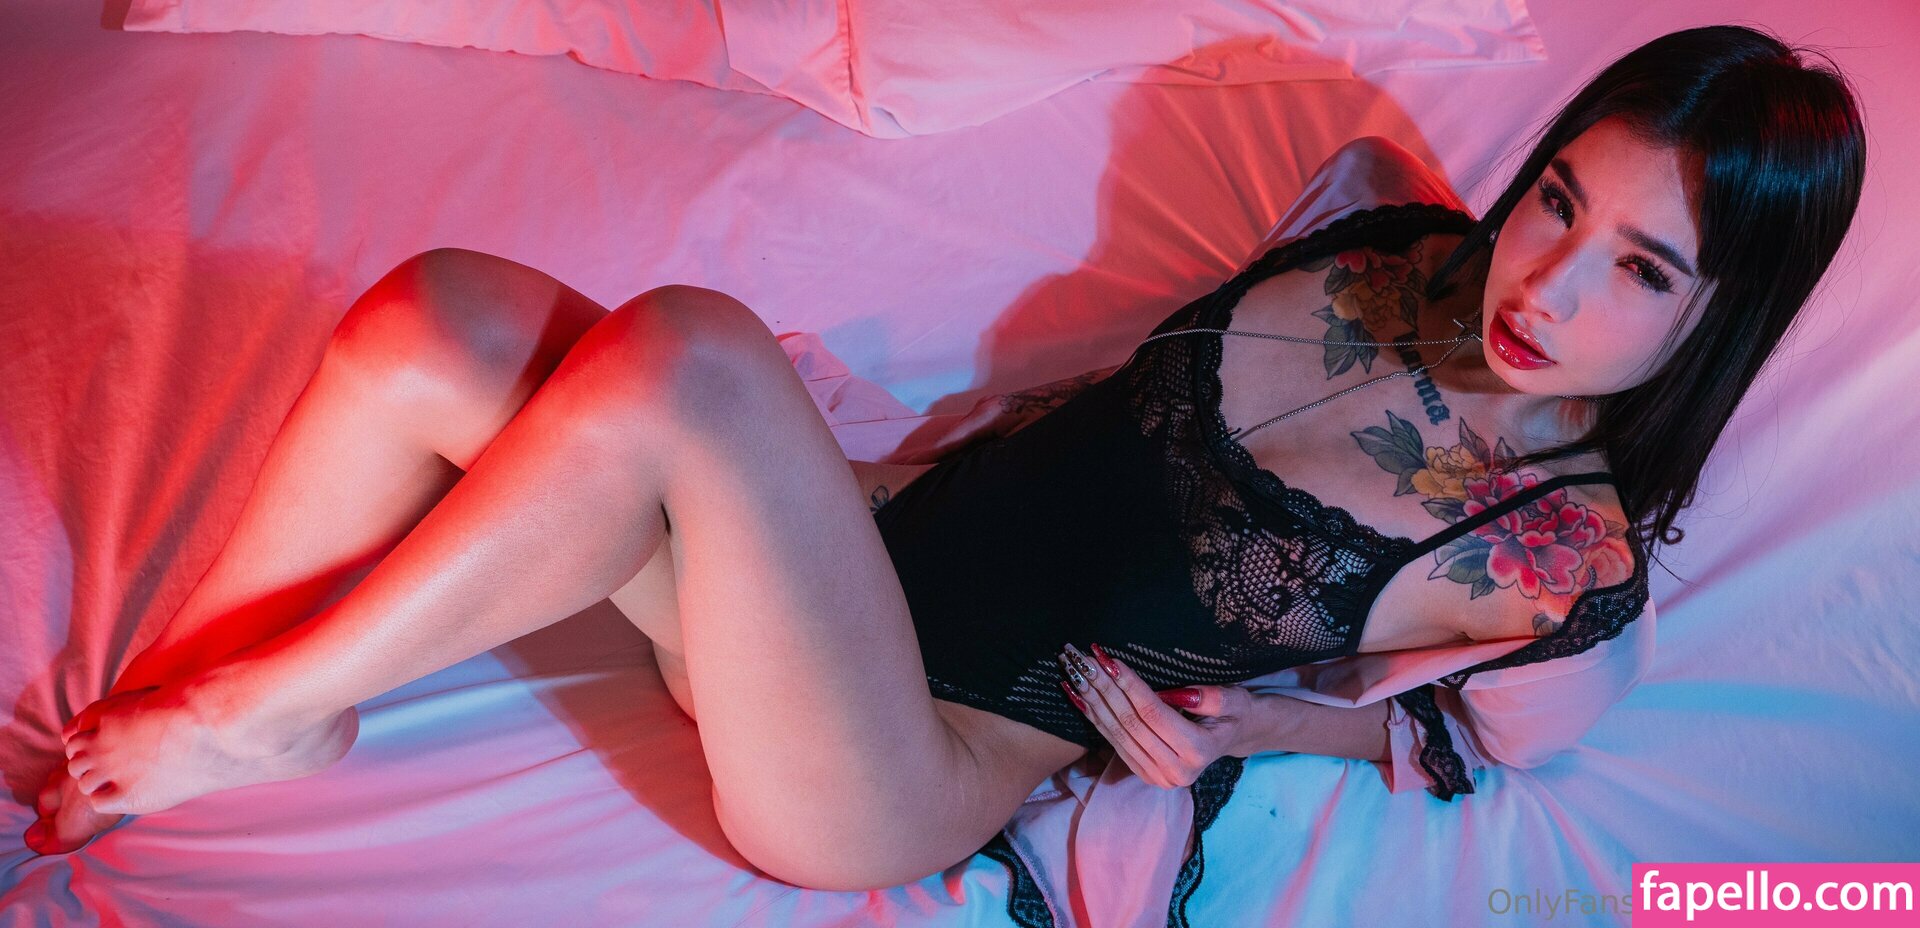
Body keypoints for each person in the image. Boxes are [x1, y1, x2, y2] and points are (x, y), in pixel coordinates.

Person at [25, 23, 1864, 894]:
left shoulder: (1557, 561)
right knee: (430, 319)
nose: (1550, 282)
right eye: (1562, 200)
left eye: (1644, 271)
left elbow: (1482, 742)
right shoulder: (1396, 235)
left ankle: (264, 711)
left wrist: (1258, 724)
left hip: (902, 756)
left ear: (1724, 314)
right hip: (843, 560)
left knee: (693, 353)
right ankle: (222, 700)